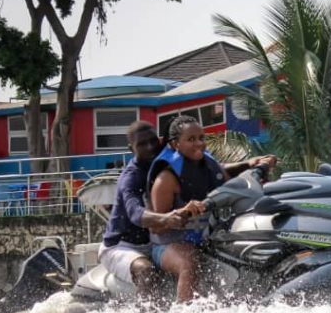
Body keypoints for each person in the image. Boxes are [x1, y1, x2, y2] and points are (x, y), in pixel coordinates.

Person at [148, 115, 276, 302]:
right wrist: (183, 212)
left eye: (201, 138)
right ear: (176, 144)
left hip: (206, 240)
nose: (199, 143)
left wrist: (254, 166)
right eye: (191, 139)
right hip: (167, 245)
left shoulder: (209, 168)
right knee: (189, 262)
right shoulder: (165, 180)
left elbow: (231, 186)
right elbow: (156, 227)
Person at [98, 121, 200, 298]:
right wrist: (166, 218)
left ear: (160, 140)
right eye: (142, 144)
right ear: (131, 149)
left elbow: (211, 170)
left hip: (154, 244)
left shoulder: (167, 161)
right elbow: (134, 212)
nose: (150, 147)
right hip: (121, 246)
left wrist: (247, 165)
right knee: (146, 271)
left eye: (153, 141)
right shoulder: (131, 177)